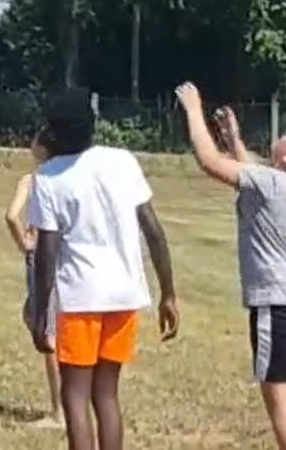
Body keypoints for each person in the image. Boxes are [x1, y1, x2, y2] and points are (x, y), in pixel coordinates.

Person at [173, 85, 286, 450]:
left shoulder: (273, 182)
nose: (283, 135)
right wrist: (234, 139)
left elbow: (210, 163)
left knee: (278, 397)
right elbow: (253, 171)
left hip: (278, 304)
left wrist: (194, 111)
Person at [26, 87, 178, 450]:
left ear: (54, 132)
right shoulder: (122, 160)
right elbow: (153, 230)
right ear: (93, 125)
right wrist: (168, 292)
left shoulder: (48, 178)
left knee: (75, 396)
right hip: (125, 294)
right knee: (106, 395)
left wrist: (39, 311)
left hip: (81, 298)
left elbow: (47, 253)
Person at [3, 133, 62, 431]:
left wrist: (24, 244)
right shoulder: (68, 176)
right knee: (31, 314)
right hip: (66, 257)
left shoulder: (32, 179)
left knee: (47, 332)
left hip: (40, 257)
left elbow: (12, 216)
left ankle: (59, 412)